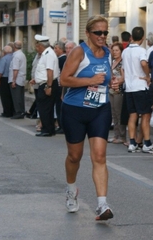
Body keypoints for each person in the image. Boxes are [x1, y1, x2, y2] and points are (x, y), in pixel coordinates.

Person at [60, 15, 114, 221]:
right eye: (98, 32)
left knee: (99, 156)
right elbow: (63, 79)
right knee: (75, 156)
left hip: (100, 108)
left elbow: (107, 79)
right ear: (88, 33)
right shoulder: (79, 52)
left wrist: (113, 83)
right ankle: (71, 189)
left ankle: (102, 205)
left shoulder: (108, 53)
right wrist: (89, 80)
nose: (102, 36)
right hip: (75, 110)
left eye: (105, 32)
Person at [122, 26, 153, 153]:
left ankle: (132, 142)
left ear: (131, 36)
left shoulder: (125, 51)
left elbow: (124, 68)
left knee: (132, 115)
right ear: (142, 37)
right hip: (140, 86)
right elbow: (143, 63)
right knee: (146, 116)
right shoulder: (141, 51)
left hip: (129, 87)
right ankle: (146, 142)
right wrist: (147, 75)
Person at [34, 35, 60, 137]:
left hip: (47, 84)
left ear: (40, 45)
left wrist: (48, 87)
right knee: (46, 108)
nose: (36, 47)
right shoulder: (46, 53)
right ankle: (49, 129)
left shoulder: (48, 54)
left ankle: (47, 129)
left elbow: (50, 71)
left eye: (37, 45)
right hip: (45, 83)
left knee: (44, 108)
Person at [108, 42, 126, 144]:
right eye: (113, 50)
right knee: (113, 113)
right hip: (111, 89)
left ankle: (122, 136)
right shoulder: (113, 61)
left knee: (119, 113)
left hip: (118, 90)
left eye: (117, 50)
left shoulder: (122, 62)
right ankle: (116, 135)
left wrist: (117, 82)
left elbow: (124, 77)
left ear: (121, 51)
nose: (114, 52)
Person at [9, 41, 27, 119]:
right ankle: (22, 111)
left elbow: (15, 69)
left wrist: (13, 81)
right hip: (21, 78)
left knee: (16, 97)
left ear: (14, 47)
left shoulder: (16, 56)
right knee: (20, 96)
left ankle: (18, 112)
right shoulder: (22, 54)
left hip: (17, 79)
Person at [0, 45, 14, 118]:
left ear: (4, 52)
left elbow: (0, 71)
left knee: (4, 96)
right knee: (10, 96)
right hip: (11, 78)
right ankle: (12, 111)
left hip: (4, 78)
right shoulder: (13, 57)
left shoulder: (4, 59)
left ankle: (6, 112)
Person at [54, 40, 67, 134]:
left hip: (60, 86)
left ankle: (62, 126)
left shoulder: (62, 59)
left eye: (56, 48)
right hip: (60, 86)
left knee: (60, 106)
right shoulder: (60, 59)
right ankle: (60, 125)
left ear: (62, 49)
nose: (55, 50)